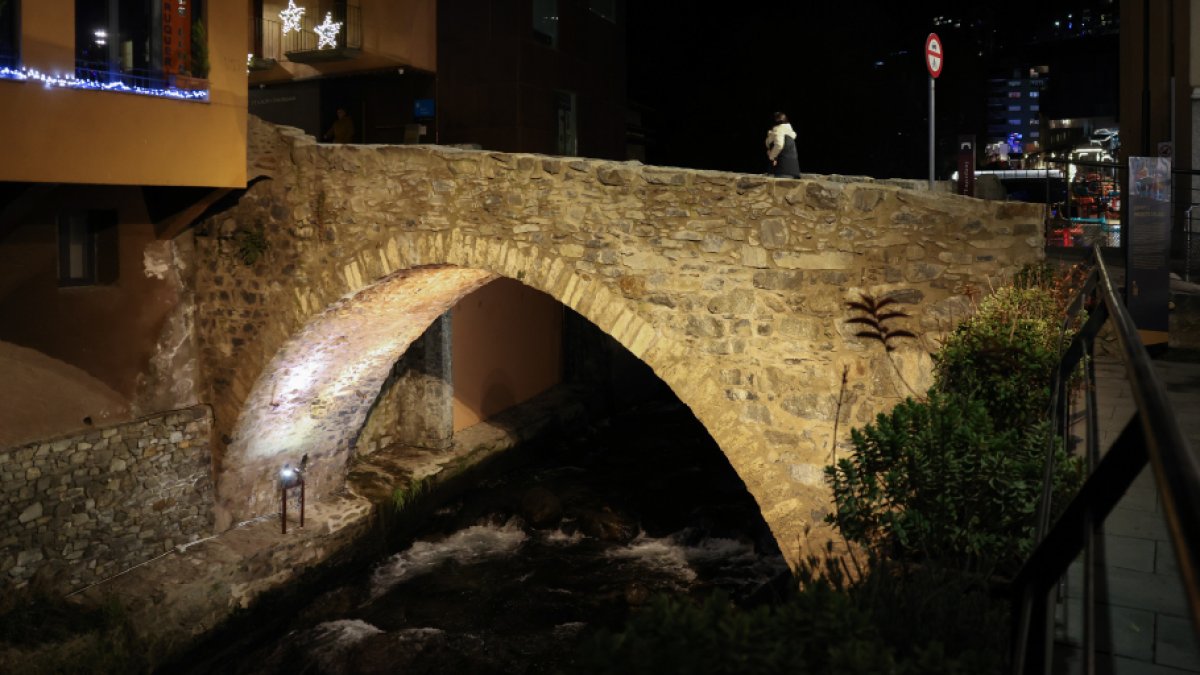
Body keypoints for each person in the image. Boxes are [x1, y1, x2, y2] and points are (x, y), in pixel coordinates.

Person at [765, 112, 799, 178]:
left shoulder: (779, 130)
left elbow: (779, 145)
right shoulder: (788, 131)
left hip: (782, 169)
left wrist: (771, 156)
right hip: (792, 169)